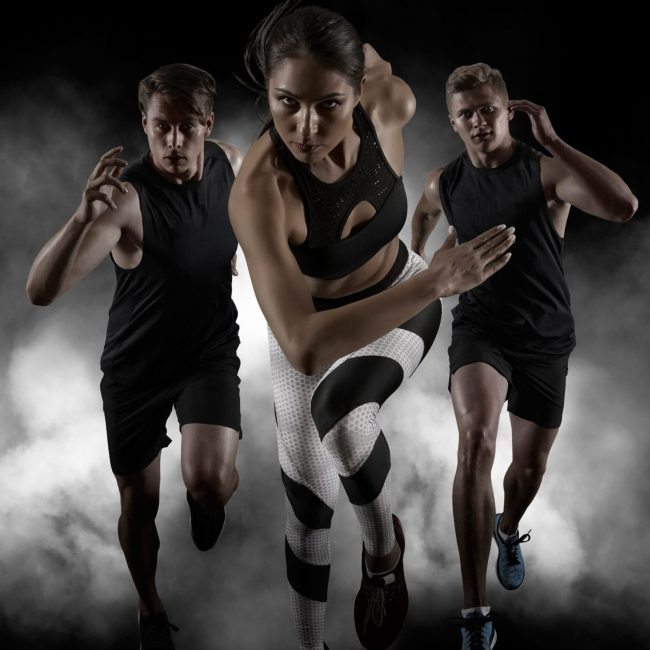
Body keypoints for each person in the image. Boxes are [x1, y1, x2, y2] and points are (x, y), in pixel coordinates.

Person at [230, 5, 515, 649]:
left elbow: (371, 59)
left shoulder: (392, 102)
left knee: (344, 418)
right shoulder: (260, 190)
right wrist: (439, 280)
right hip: (308, 325)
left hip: (400, 300)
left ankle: (384, 557)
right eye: (285, 102)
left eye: (328, 104)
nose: (305, 127)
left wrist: (424, 285)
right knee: (306, 504)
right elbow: (302, 344)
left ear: (359, 91)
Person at [411, 62, 638, 649]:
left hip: (544, 339)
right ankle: (475, 612)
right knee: (476, 442)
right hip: (480, 331)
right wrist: (421, 265)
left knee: (527, 472)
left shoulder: (544, 172)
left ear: (508, 111)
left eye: (489, 109)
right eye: (467, 114)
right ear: (454, 122)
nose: (479, 121)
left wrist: (556, 141)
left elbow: (623, 207)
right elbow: (424, 214)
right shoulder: (447, 182)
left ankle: (508, 529)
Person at [26, 63, 244, 650]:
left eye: (186, 128)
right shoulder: (125, 199)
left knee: (211, 482)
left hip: (208, 351)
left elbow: (246, 219)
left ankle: (208, 502)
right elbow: (40, 291)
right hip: (136, 367)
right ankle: (150, 608)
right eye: (160, 129)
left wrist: (230, 250)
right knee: (139, 500)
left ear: (207, 124)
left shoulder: (228, 160)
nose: (174, 142)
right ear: (144, 127)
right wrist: (80, 217)